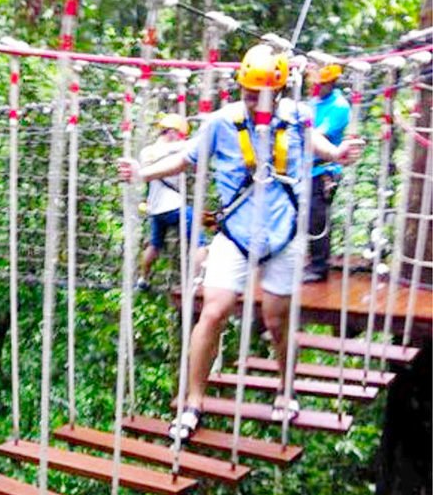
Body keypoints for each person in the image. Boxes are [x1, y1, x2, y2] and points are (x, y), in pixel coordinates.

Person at [118, 44, 363, 443]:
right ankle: (192, 402)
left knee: (277, 320)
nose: (254, 101)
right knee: (212, 311)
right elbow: (185, 159)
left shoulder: (299, 117)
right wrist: (141, 174)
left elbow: (321, 145)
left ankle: (286, 389)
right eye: (249, 93)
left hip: (282, 234)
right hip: (236, 233)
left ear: (279, 92)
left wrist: (340, 153)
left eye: (262, 95)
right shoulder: (221, 123)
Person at [135, 113, 207, 291]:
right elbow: (195, 147)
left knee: (155, 244)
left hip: (156, 210)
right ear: (172, 132)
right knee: (199, 242)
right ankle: (198, 282)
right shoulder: (175, 148)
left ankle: (143, 278)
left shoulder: (146, 152)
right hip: (175, 206)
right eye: (180, 134)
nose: (181, 138)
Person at [305, 63, 351, 282]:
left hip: (324, 170)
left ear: (331, 83)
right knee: (300, 216)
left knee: (317, 217)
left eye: (320, 84)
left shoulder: (339, 106)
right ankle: (308, 261)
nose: (315, 87)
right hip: (305, 170)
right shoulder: (313, 102)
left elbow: (315, 136)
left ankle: (319, 266)